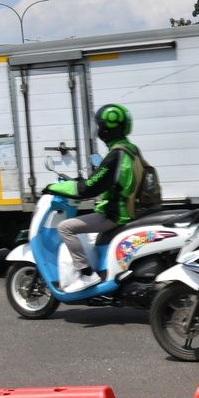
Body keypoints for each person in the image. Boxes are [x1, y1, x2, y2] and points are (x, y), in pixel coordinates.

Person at [57, 104, 144, 292]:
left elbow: (89, 188)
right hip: (133, 210)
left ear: (107, 129)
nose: (98, 130)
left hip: (115, 214)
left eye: (100, 126)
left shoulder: (115, 155)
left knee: (65, 227)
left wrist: (56, 187)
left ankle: (87, 274)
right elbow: (106, 178)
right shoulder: (131, 149)